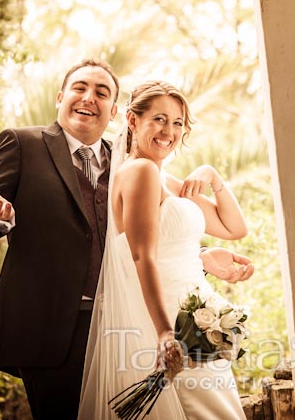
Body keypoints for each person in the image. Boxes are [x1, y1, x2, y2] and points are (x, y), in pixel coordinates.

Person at [0, 60, 254, 420]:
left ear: (115, 111)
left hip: (126, 323)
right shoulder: (22, 144)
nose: (89, 98)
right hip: (53, 329)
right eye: (79, 88)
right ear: (60, 97)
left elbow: (137, 236)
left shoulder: (128, 162)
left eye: (102, 93)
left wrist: (201, 254)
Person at [78, 80, 248, 420]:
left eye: (177, 122)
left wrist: (213, 177)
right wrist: (165, 334)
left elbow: (234, 228)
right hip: (168, 318)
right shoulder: (139, 171)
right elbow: (143, 256)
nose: (168, 131)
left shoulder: (168, 181)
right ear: (132, 121)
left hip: (194, 319)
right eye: (159, 119)